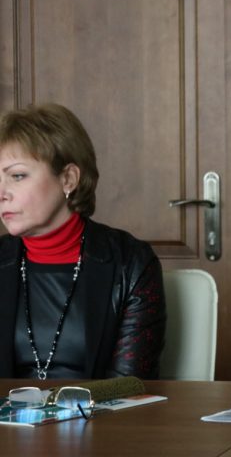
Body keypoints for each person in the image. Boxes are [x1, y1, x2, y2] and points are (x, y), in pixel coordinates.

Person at [0, 103, 165, 380]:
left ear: (68, 179)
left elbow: (127, 386)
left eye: (17, 176)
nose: (2, 193)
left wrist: (52, 407)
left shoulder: (132, 263)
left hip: (100, 409)